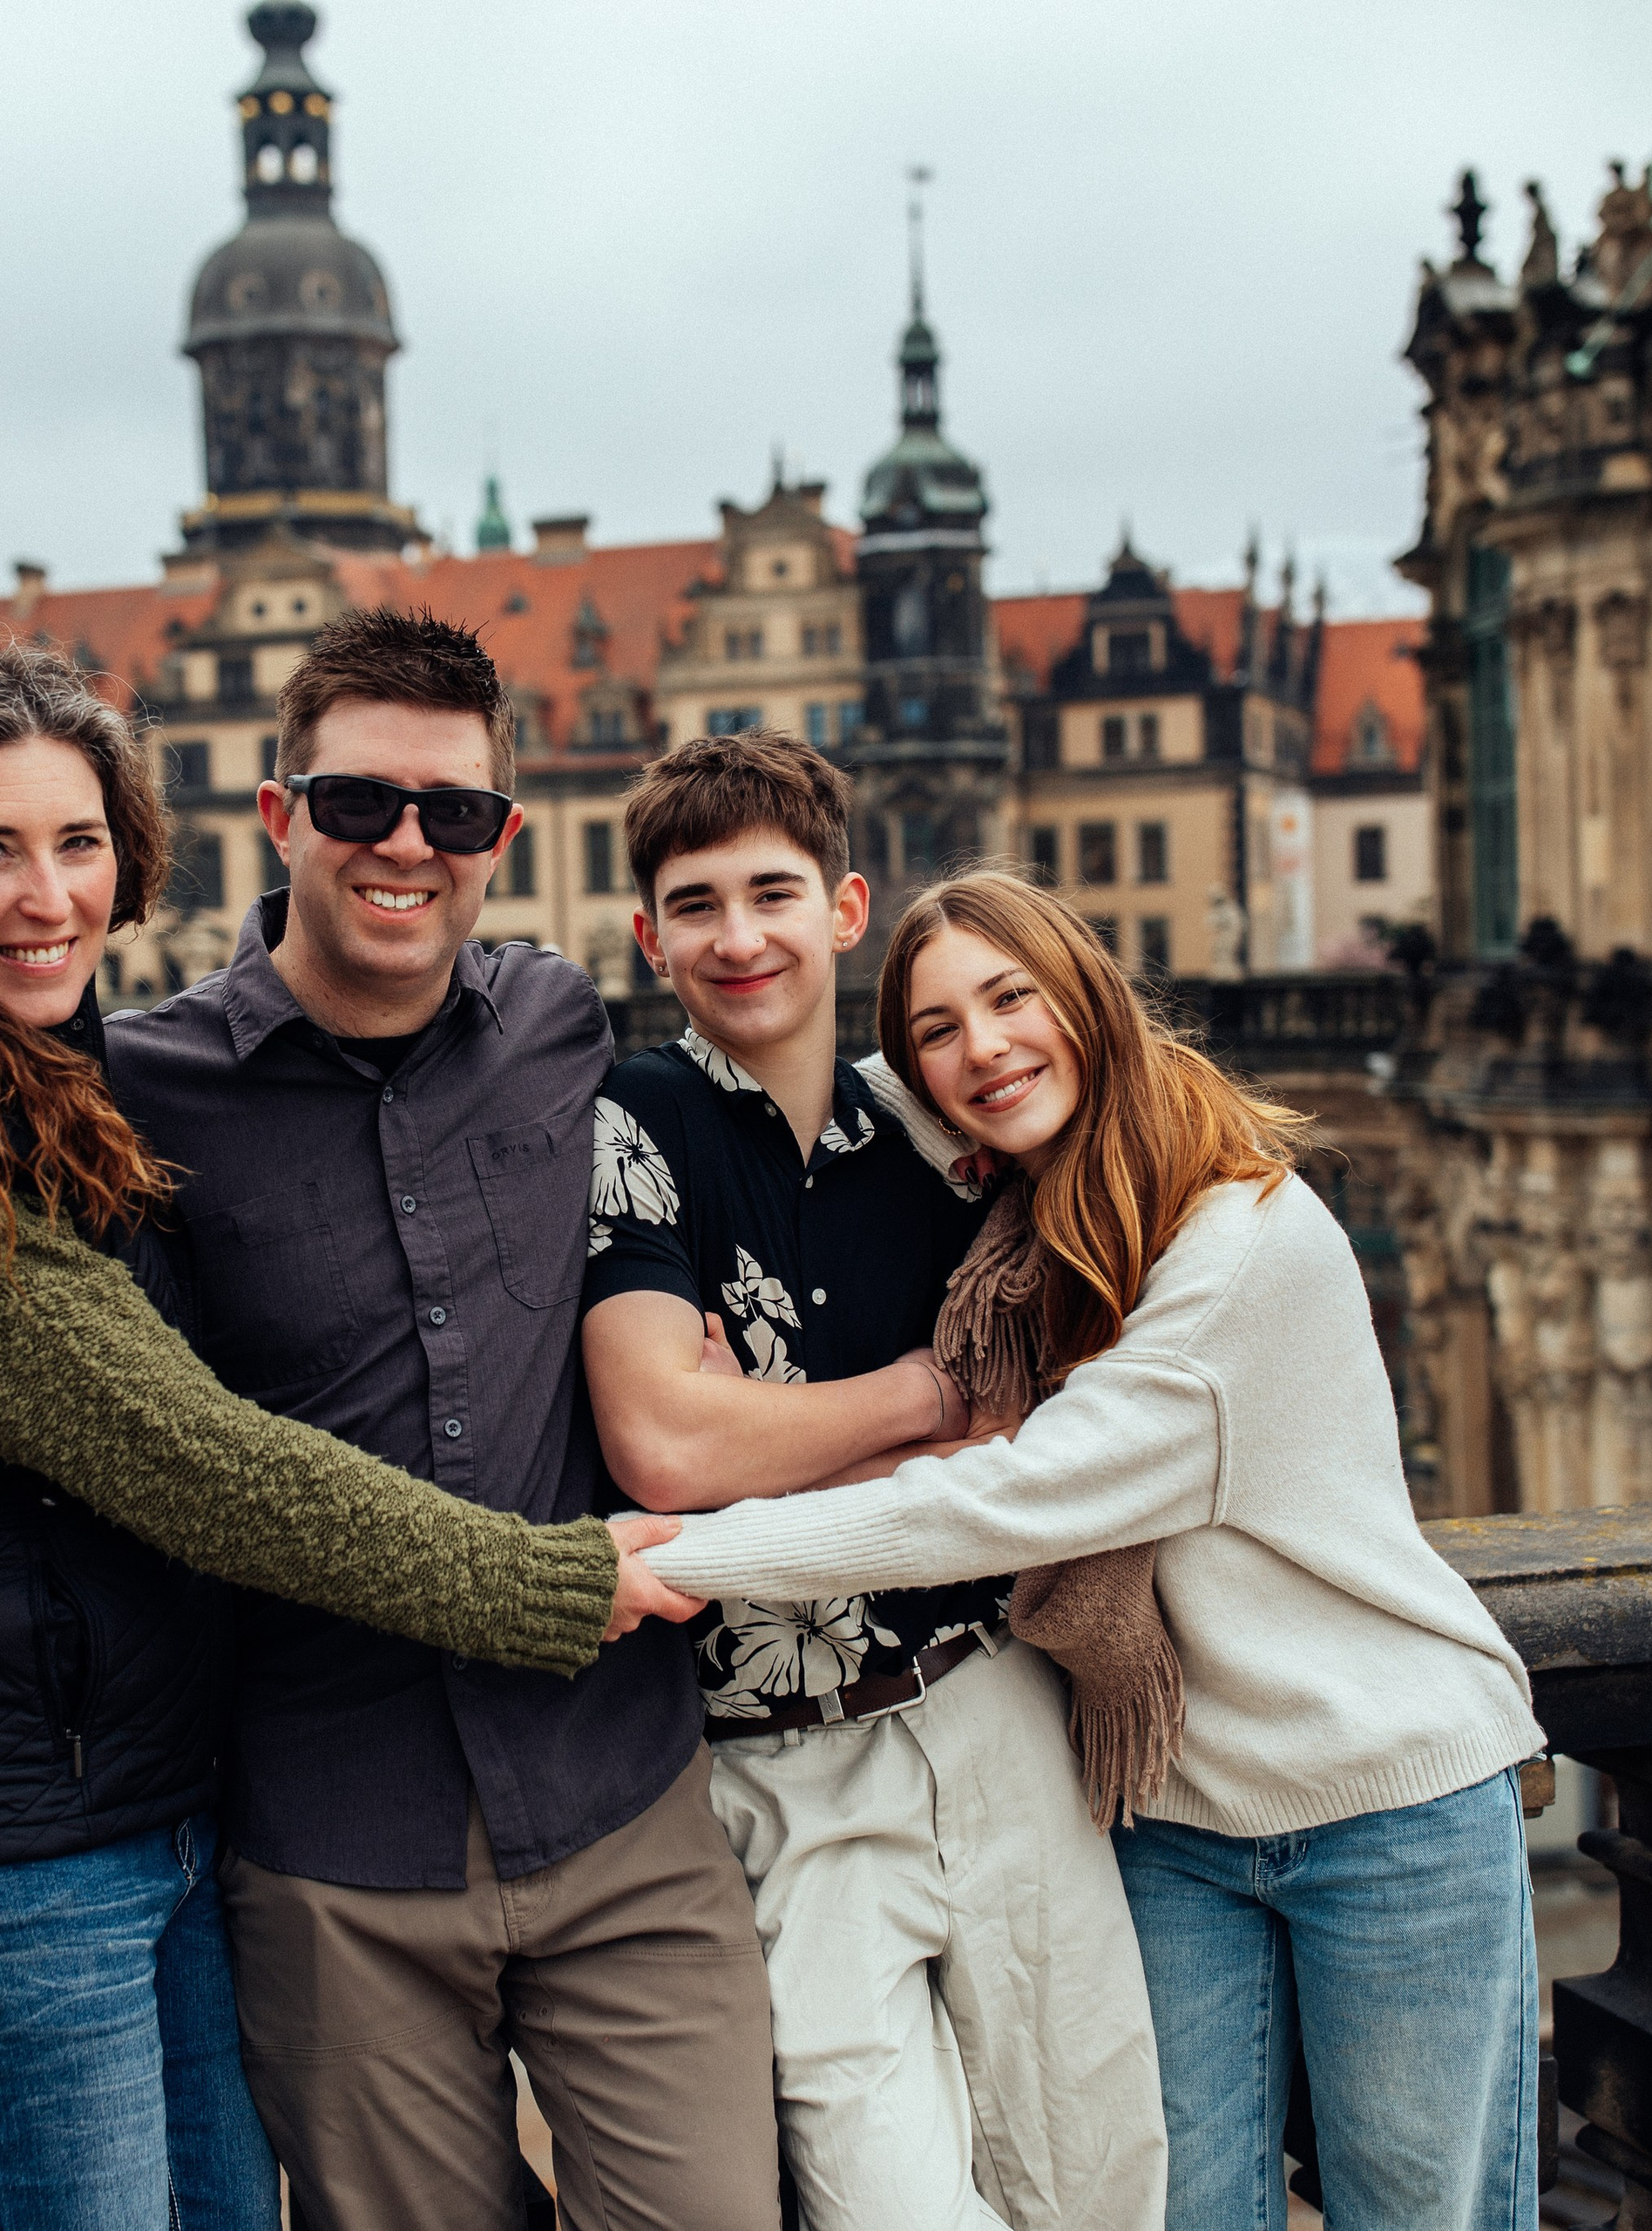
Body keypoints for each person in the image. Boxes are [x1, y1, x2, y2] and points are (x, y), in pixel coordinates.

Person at [0, 634, 690, 2231]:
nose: (44, 894)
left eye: (76, 843)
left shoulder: (25, 1062)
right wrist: (542, 1583)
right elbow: (181, 1448)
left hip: (134, 1788)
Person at [640, 869, 1547, 2231]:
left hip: (1384, 1806)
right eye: (936, 1030)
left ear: (1087, 996)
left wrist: (692, 1547)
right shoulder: (1031, 1248)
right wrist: (747, 1415)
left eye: (1011, 999)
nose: (984, 1050)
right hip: (1172, 1814)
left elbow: (1007, 1496)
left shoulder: (1233, 1237)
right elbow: (964, 1437)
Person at [102, 607, 782, 2231]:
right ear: (278, 816)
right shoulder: (139, 1090)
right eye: (359, 805)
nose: (406, 845)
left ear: (501, 838)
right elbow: (57, 1389)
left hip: (620, 1797)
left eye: (453, 814)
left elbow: (826, 1108)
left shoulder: (559, 1022)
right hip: (339, 1846)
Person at [580, 736, 1168, 2231]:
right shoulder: (627, 1120)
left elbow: (1055, 1389)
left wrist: (779, 1426)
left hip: (991, 1709)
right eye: (695, 904)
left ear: (844, 910)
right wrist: (926, 1400)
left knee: (1095, 2179)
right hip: (781, 1762)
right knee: (885, 2204)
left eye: (772, 893)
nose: (739, 935)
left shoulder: (946, 1123)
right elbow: (667, 1447)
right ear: (648, 937)